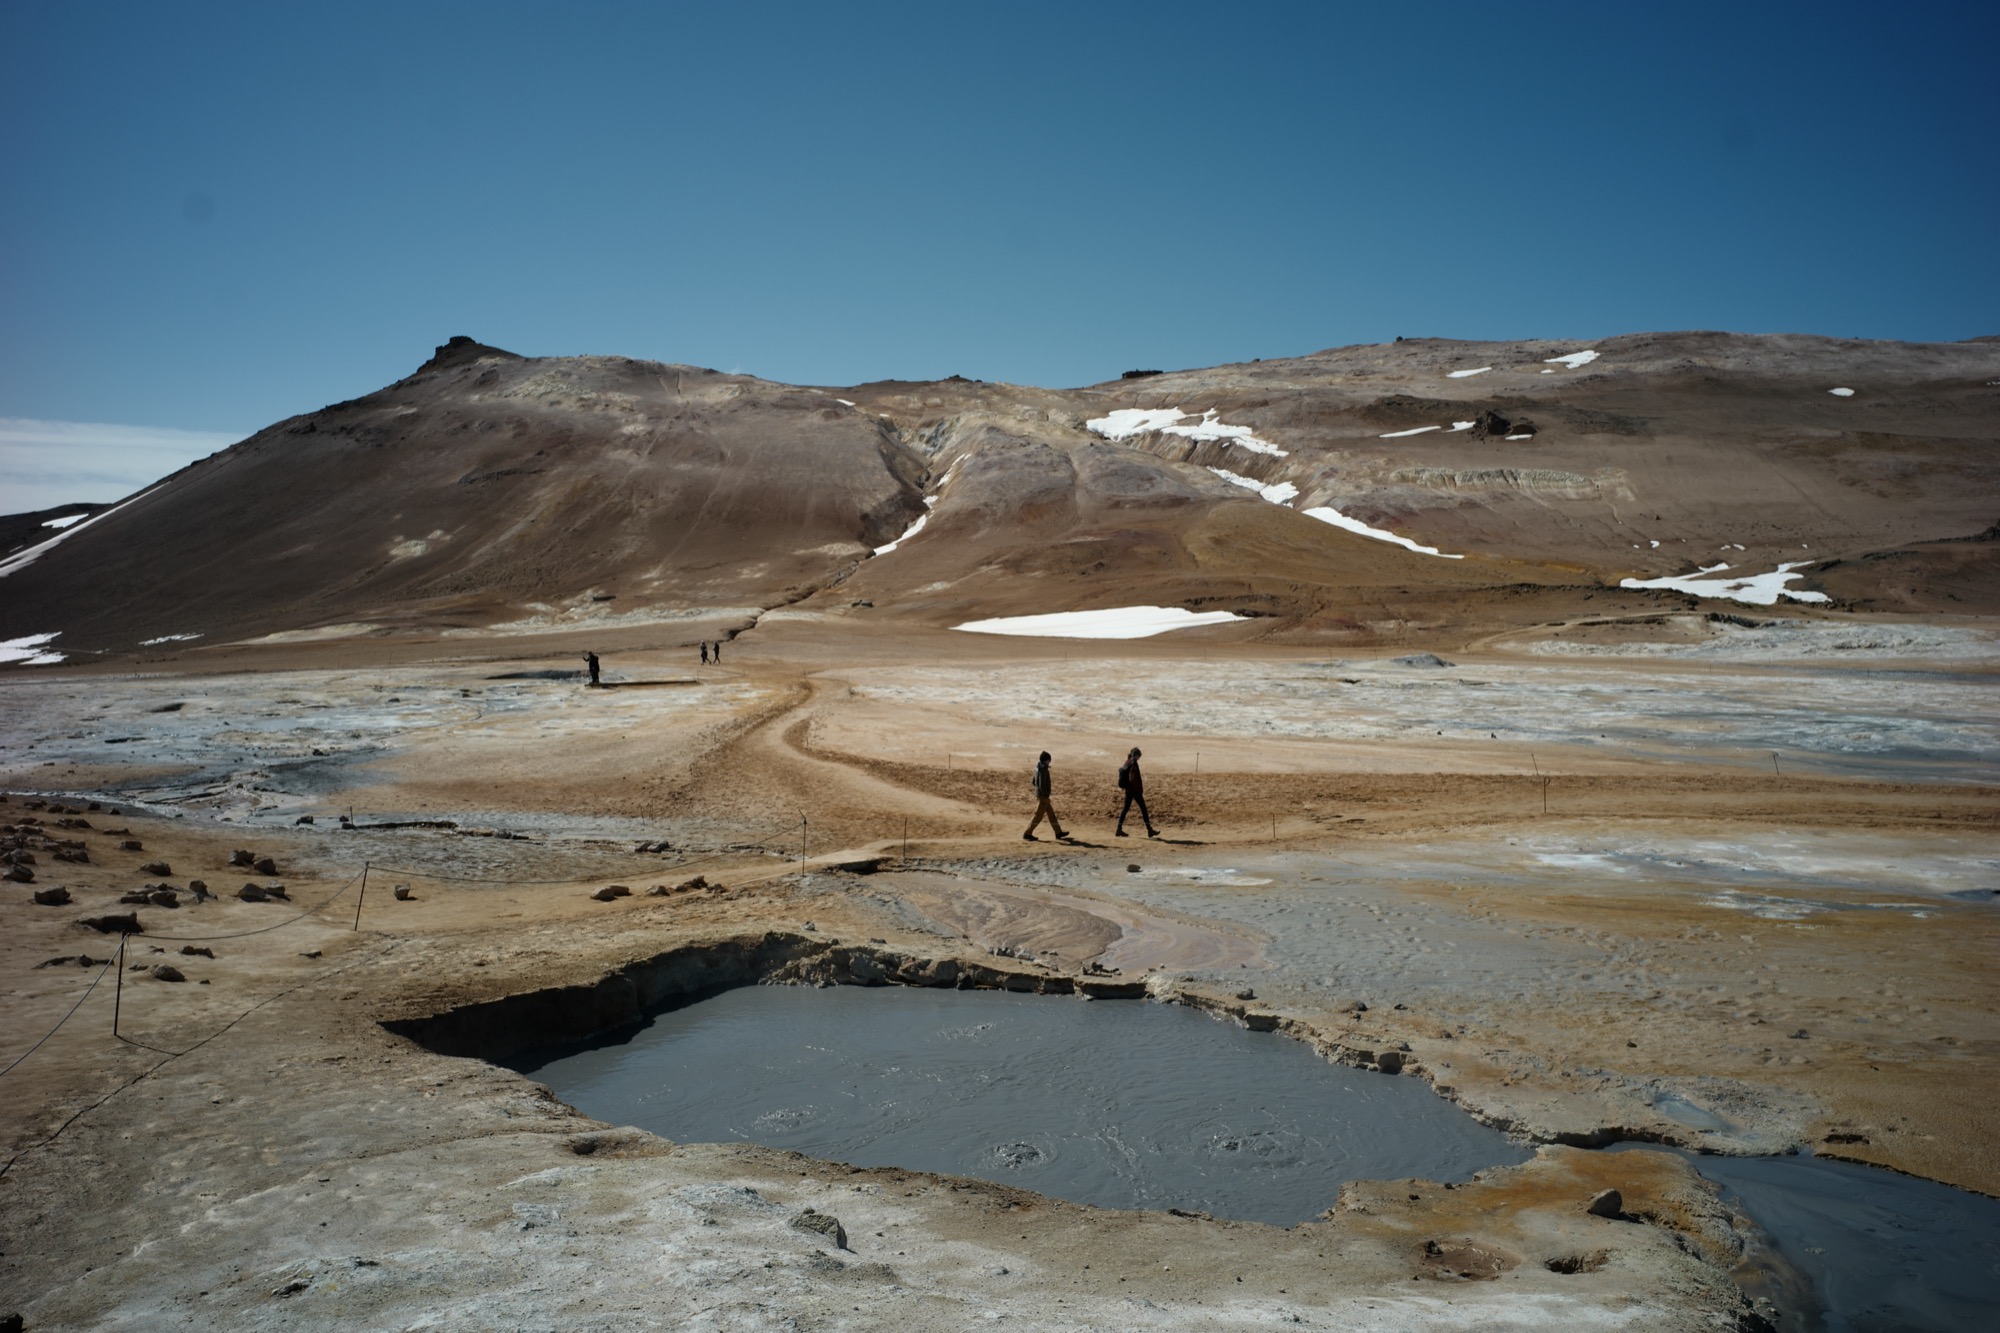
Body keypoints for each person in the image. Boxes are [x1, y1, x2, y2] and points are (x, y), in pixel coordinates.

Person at [1023, 751, 1068, 841]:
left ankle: (1058, 832)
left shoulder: (1037, 768)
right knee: (1038, 816)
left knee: (1051, 815)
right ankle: (1027, 833)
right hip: (1043, 796)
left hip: (1041, 796)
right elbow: (1041, 785)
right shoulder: (1042, 770)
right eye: (1049, 760)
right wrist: (1045, 794)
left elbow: (1034, 782)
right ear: (1045, 760)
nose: (1050, 762)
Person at [1115, 746, 1157, 838]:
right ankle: (1149, 830)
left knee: (1125, 809)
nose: (1139, 758)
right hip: (1134, 791)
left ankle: (1119, 829)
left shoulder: (1127, 761)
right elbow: (1133, 778)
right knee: (1143, 809)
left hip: (1128, 790)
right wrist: (1137, 790)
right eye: (1139, 756)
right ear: (1136, 755)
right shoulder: (1133, 763)